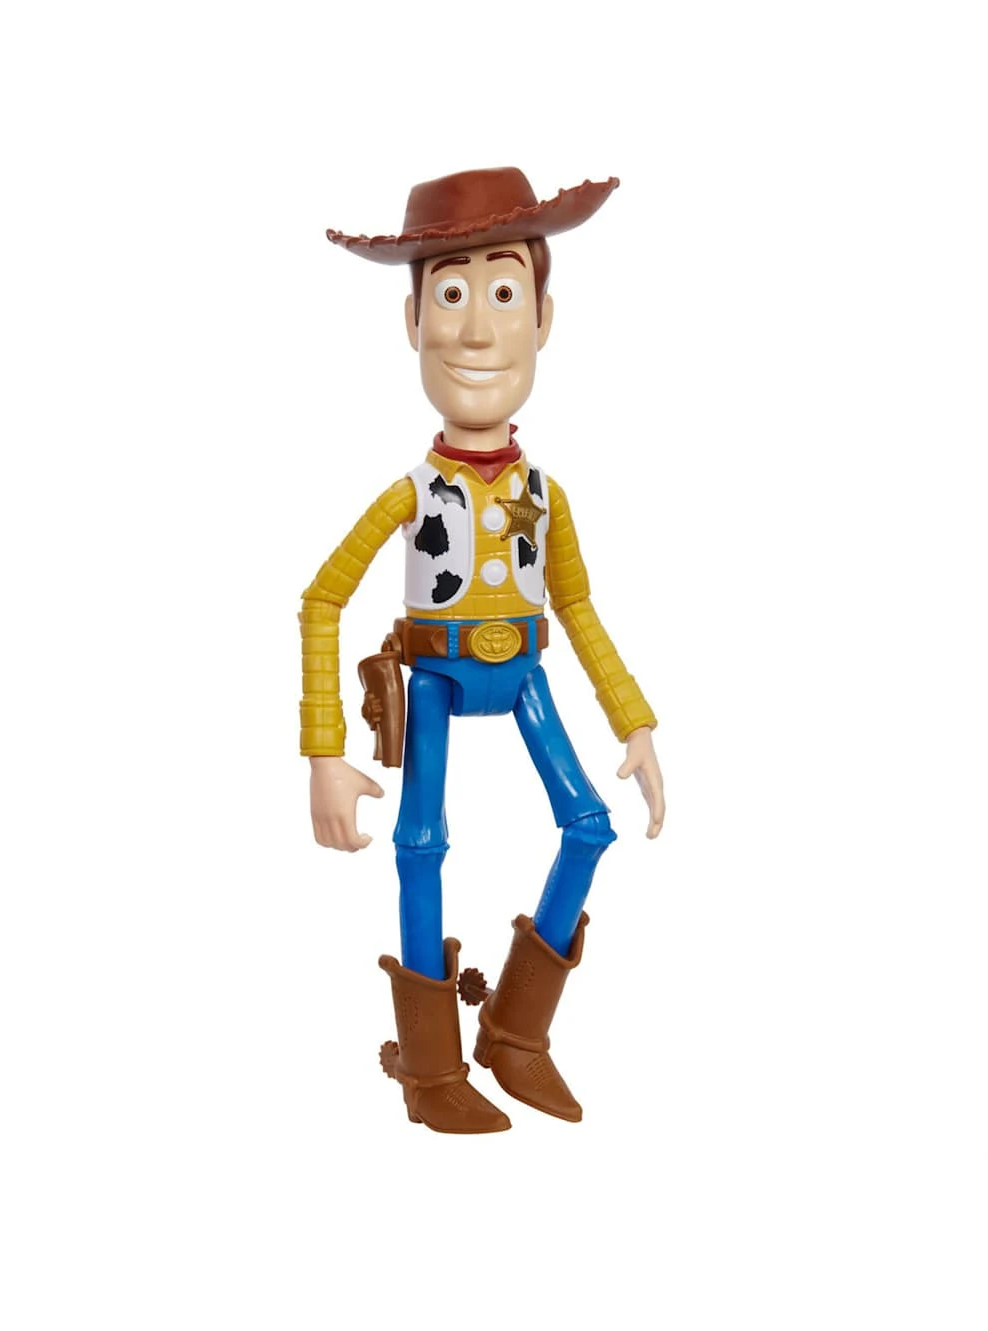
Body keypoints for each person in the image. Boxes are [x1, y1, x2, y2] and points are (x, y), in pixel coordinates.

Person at [302, 167, 665, 1133]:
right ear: (412, 320)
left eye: (503, 293)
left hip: (525, 672)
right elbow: (322, 598)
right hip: (434, 676)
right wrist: (324, 749)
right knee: (421, 845)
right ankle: (430, 1068)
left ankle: (516, 1034)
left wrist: (634, 721)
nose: (474, 331)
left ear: (543, 318)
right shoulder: (411, 493)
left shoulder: (545, 494)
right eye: (450, 295)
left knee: (589, 825)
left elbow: (576, 605)